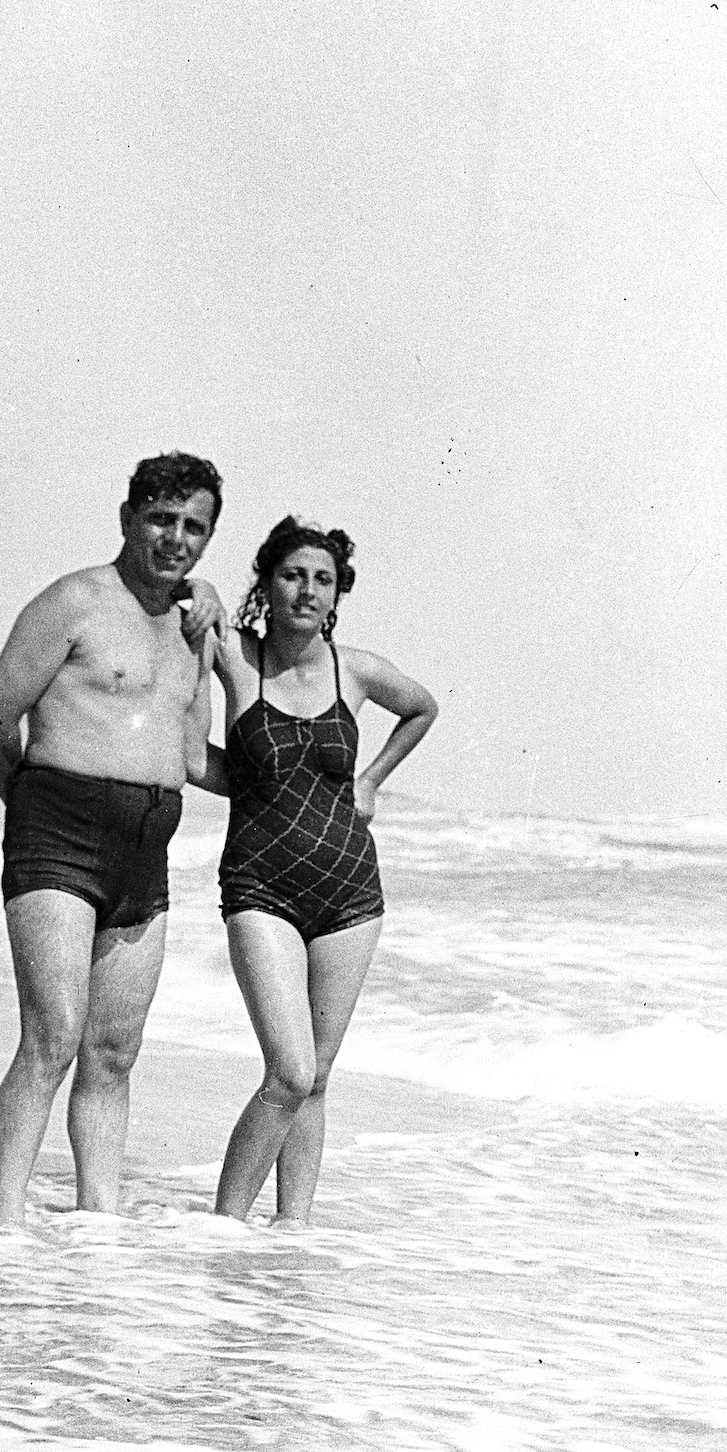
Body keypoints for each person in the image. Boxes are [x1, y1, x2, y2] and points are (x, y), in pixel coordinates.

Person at [0, 452, 227, 1224]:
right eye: (161, 519)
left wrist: (298, 779)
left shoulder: (195, 629)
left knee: (114, 1054)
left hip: (145, 854)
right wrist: (32, 808)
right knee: (53, 1035)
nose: (175, 538)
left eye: (194, 527)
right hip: (57, 835)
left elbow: (189, 755)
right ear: (127, 517)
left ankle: (96, 1225)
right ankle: (2, 1225)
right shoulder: (73, 602)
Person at [192, 518, 438, 1225]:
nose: (307, 589)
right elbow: (189, 610)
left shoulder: (352, 669)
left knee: (317, 1077)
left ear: (338, 595)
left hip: (352, 894)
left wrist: (372, 781)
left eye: (323, 579)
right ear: (266, 582)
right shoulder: (238, 658)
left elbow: (423, 707)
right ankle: (223, 1230)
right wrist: (243, 776)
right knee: (290, 1071)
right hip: (260, 887)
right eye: (293, 574)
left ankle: (293, 1231)